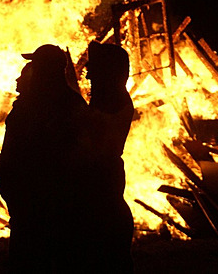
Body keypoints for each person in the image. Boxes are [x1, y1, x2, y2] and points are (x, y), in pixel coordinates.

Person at [0, 44, 89, 273]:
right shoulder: (68, 102)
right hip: (41, 192)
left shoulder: (48, 105)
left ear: (46, 69)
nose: (30, 70)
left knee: (34, 252)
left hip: (41, 193)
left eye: (36, 65)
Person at [83, 40, 136, 272]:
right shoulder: (111, 97)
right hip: (104, 170)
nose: (87, 74)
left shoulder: (114, 101)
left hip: (103, 171)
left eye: (93, 67)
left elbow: (96, 139)